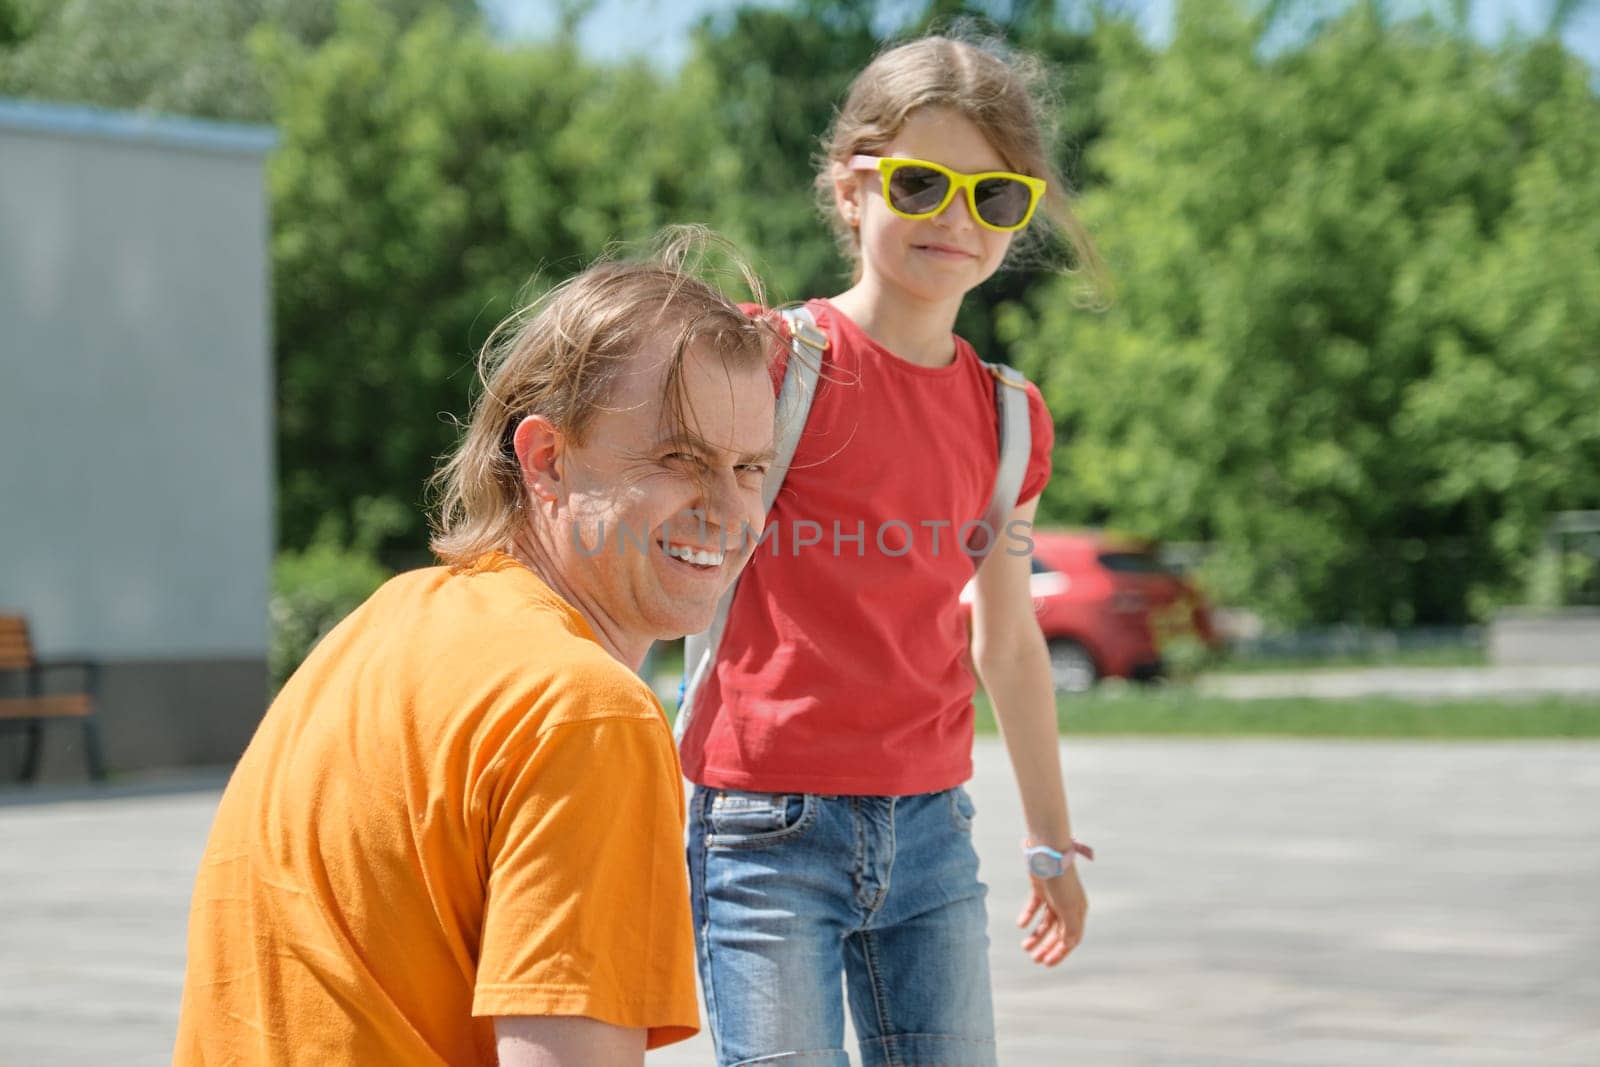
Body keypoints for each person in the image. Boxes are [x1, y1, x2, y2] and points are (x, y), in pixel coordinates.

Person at [175, 233, 778, 1066]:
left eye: (750, 467)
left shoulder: (380, 627)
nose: (728, 506)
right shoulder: (585, 711)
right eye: (681, 456)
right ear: (546, 460)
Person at [674, 33, 1106, 1067]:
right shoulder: (769, 361)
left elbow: (1006, 644)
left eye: (994, 196)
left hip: (929, 840)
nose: (957, 219)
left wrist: (1048, 837)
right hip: (761, 828)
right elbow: (651, 565)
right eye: (921, 184)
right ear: (850, 190)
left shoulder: (1008, 418)